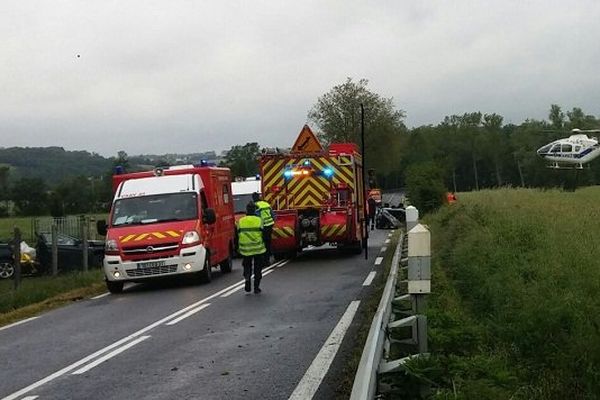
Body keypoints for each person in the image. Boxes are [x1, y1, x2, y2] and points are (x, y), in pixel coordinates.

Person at [236, 202, 266, 293]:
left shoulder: (240, 221)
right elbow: (263, 234)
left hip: (245, 249)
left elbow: (237, 234)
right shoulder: (259, 220)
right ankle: (256, 288)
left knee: (247, 265)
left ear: (246, 210)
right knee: (258, 268)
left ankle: (247, 278)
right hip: (258, 248)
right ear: (254, 210)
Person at [252, 192, 275, 261]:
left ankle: (263, 260)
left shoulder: (255, 205)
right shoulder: (266, 204)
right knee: (268, 243)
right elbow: (273, 215)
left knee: (261, 244)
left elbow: (256, 217)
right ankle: (267, 259)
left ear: (253, 198)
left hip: (262, 227)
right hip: (269, 225)